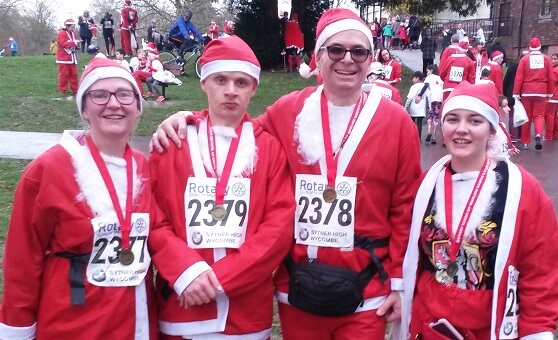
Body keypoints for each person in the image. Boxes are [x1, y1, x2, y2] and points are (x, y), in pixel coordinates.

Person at [152, 8, 421, 339]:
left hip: (366, 287)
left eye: (359, 51)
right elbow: (235, 129)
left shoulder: (396, 121)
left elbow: (406, 207)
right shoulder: (289, 109)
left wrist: (399, 283)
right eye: (336, 50)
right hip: (299, 287)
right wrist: (188, 117)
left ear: (371, 59)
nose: (347, 60)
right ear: (318, 57)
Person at [148, 35, 295, 339]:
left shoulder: (268, 147)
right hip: (181, 306)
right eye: (221, 80)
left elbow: (278, 228)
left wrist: (217, 280)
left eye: (241, 83)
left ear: (254, 88)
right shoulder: (173, 142)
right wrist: (187, 273)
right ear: (204, 83)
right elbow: (153, 219)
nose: (230, 91)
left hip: (246, 315)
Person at [0, 57, 158, 338]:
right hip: (74, 319)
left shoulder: (143, 166)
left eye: (124, 94)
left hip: (136, 318)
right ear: (84, 109)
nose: (113, 103)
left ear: (137, 107)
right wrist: (17, 326)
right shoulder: (48, 169)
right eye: (99, 95)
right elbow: (23, 259)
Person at [399, 81, 558, 339]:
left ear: (492, 131)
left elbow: (541, 275)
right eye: (452, 119)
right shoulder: (426, 184)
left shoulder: (523, 192)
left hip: (488, 328)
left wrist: (536, 331)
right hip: (427, 325)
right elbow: (404, 249)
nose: (461, 129)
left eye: (475, 121)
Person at [513, 37, 554, 151]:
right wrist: (550, 92)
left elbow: (519, 77)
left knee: (527, 116)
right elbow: (551, 77)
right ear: (540, 46)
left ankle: (525, 142)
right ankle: (538, 133)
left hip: (527, 91)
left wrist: (516, 92)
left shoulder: (525, 59)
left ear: (530, 47)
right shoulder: (546, 59)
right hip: (541, 90)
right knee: (539, 115)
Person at [56, 19, 81, 95]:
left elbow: (74, 43)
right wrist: (74, 43)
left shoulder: (73, 34)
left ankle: (75, 89)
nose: (73, 29)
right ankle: (62, 89)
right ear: (67, 26)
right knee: (64, 74)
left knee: (74, 74)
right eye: (72, 27)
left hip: (72, 58)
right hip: (64, 58)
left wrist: (78, 45)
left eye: (74, 27)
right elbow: (62, 44)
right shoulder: (62, 33)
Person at [405, 71, 429, 142]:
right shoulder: (425, 86)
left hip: (414, 108)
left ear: (417, 78)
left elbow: (409, 98)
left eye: (413, 78)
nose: (412, 80)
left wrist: (405, 107)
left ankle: (411, 137)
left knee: (412, 123)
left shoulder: (414, 87)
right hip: (421, 108)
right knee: (419, 123)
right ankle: (419, 138)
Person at [424, 64, 443, 145]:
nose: (427, 73)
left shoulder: (429, 77)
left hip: (431, 99)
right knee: (435, 116)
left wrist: (420, 95)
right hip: (439, 99)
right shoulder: (440, 79)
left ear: (431, 70)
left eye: (427, 71)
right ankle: (434, 136)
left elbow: (426, 86)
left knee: (430, 115)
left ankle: (429, 131)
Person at [544, 53, 558, 140]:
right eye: (552, 58)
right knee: (554, 116)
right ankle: (555, 134)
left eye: (555, 59)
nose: (552, 61)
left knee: (549, 116)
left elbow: (551, 82)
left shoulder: (555, 71)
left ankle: (549, 135)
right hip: (555, 96)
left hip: (552, 96)